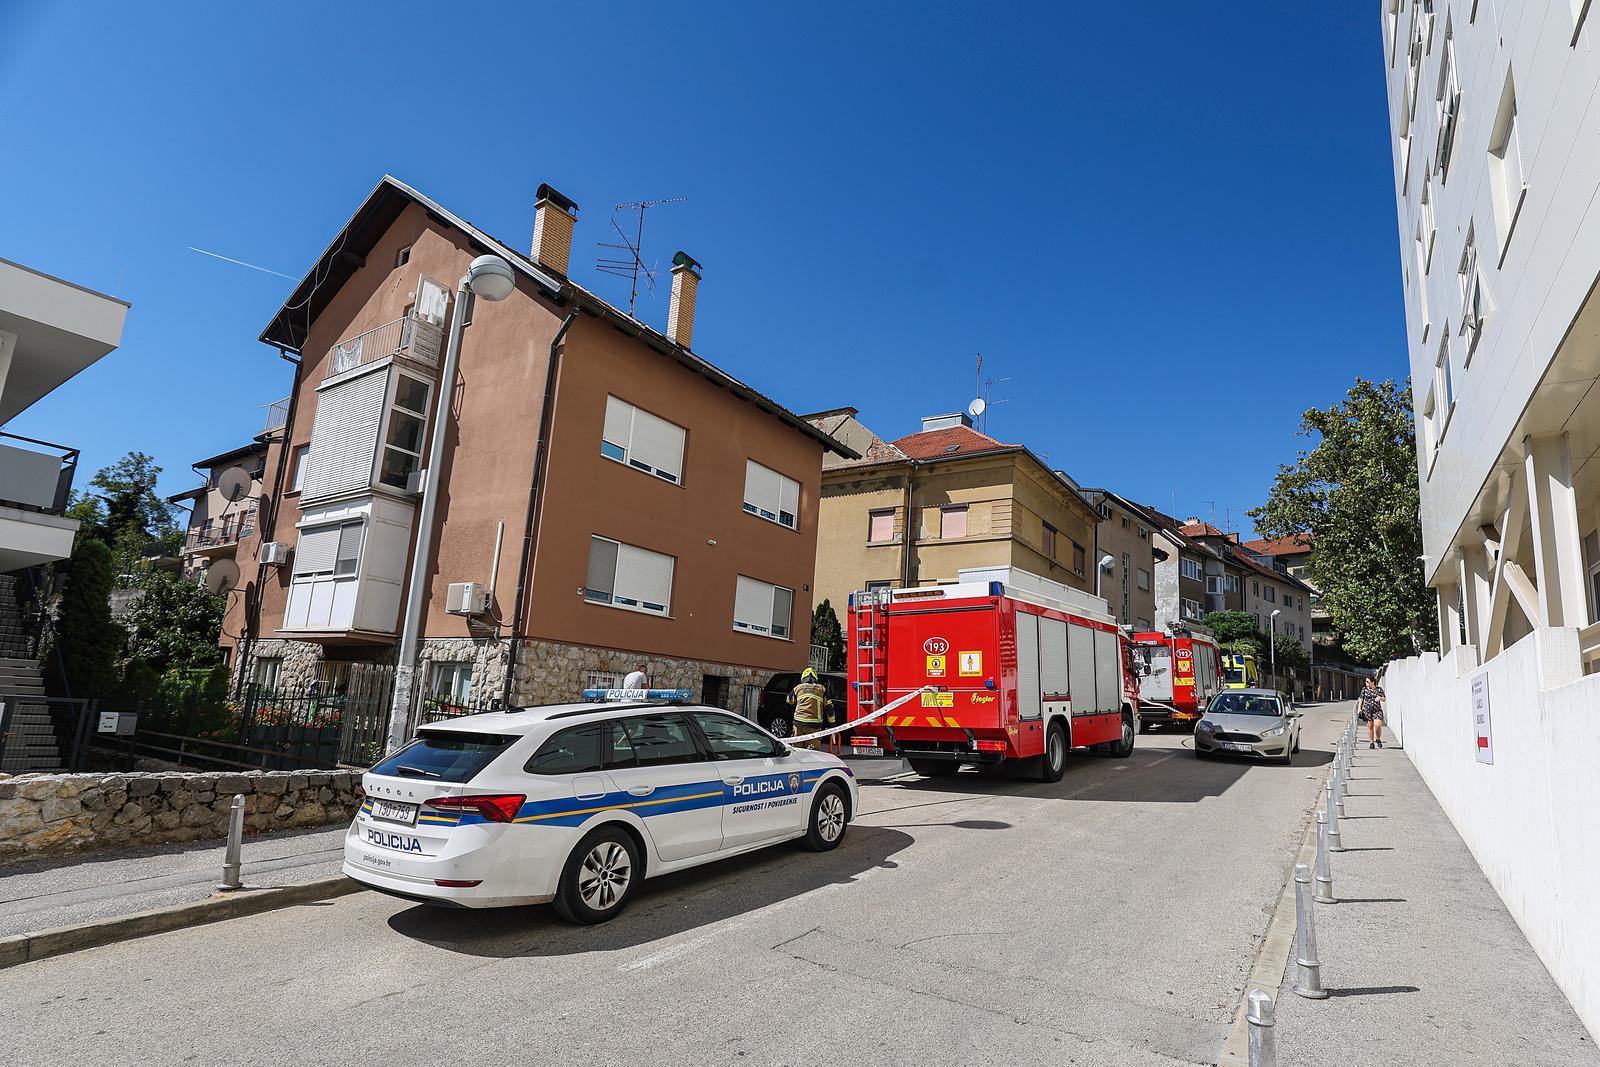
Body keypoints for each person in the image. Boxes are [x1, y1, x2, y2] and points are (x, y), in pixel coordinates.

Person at [787, 667, 834, 750]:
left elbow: (789, 700)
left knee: (797, 751)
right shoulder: (822, 689)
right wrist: (832, 725)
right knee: (813, 753)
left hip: (798, 724)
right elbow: (829, 709)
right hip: (814, 725)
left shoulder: (798, 688)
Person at [1359, 677, 1387, 749]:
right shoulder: (1364, 689)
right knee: (1370, 726)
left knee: (1378, 725)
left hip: (1377, 710)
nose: (1366, 683)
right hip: (1367, 710)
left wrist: (1380, 698)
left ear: (1373, 682)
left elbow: (1384, 699)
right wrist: (1359, 708)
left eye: (1367, 681)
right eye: (1366, 682)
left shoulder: (1379, 689)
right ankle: (1371, 743)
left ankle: (1378, 739)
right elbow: (1361, 698)